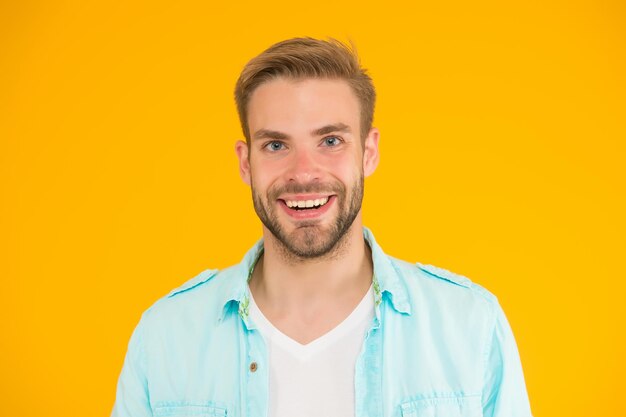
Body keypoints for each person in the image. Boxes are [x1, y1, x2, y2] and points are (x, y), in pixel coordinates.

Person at [111, 37, 533, 417]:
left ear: (368, 153)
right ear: (246, 162)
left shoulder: (470, 327)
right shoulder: (165, 337)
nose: (304, 172)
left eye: (330, 141)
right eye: (276, 145)